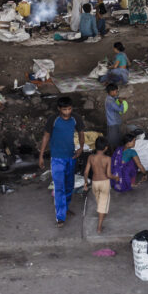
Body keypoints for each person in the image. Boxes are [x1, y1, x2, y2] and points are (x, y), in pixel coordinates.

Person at [39, 96, 85, 227]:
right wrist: (41, 155)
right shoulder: (53, 120)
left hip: (71, 157)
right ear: (59, 109)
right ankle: (60, 216)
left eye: (69, 109)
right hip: (57, 159)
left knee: (69, 185)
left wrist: (81, 147)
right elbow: (46, 136)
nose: (67, 112)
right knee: (59, 187)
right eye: (65, 109)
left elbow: (81, 133)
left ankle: (65, 208)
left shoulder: (76, 118)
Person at [84, 138, 119, 234]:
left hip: (95, 183)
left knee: (100, 201)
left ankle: (102, 213)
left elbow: (86, 172)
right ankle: (99, 228)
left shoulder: (91, 157)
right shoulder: (108, 159)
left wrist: (86, 183)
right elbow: (108, 175)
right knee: (102, 204)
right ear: (106, 148)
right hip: (104, 183)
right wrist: (115, 178)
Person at [104, 83, 128, 149]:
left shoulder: (110, 98)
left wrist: (120, 98)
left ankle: (117, 151)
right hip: (113, 123)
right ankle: (113, 153)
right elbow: (120, 110)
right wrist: (121, 102)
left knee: (117, 138)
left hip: (115, 122)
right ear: (111, 92)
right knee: (113, 141)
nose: (117, 93)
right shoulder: (110, 102)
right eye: (116, 91)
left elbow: (115, 97)